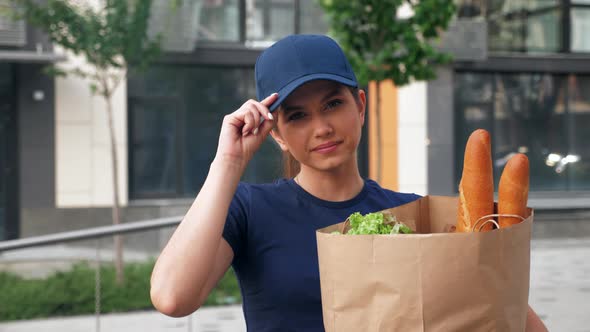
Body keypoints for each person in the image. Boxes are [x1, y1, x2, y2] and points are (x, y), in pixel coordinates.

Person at [150, 34, 548, 332]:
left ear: (359, 106)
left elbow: (511, 316)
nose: (321, 128)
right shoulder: (250, 209)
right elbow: (172, 297)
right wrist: (228, 162)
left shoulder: (412, 214)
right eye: (298, 116)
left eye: (332, 104)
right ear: (276, 133)